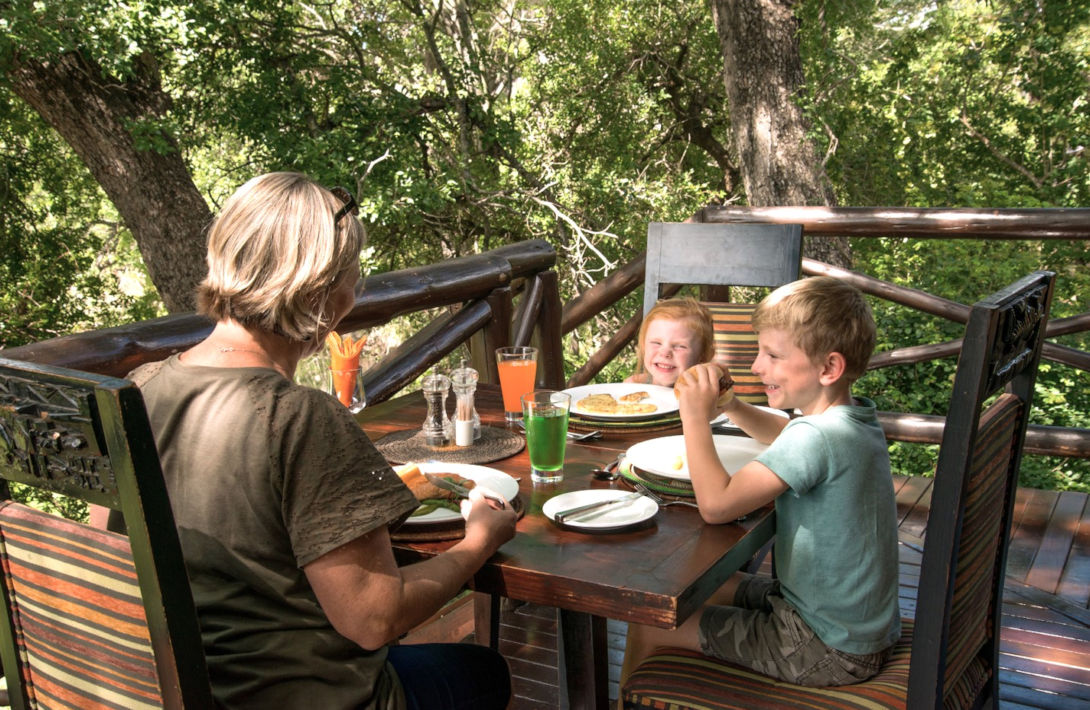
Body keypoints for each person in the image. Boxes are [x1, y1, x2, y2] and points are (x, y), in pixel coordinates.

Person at [122, 173, 517, 709]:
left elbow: (117, 554)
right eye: (354, 275)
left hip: (177, 693)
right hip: (306, 697)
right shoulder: (299, 415)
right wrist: (480, 541)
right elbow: (374, 619)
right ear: (322, 290)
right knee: (482, 671)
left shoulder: (139, 389)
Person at [621, 276, 900, 689]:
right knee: (699, 590)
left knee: (650, 623)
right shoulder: (850, 420)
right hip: (847, 624)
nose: (756, 366)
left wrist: (694, 415)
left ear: (829, 368)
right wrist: (731, 404)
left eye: (772, 355)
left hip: (824, 647)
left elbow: (716, 507)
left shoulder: (816, 437)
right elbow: (784, 432)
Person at [624, 297, 715, 387]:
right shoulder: (634, 386)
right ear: (644, 346)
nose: (665, 353)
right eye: (657, 343)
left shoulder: (710, 394)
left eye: (680, 346)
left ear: (703, 356)